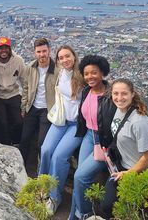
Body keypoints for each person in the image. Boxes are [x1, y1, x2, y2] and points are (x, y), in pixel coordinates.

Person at [99, 78, 148, 219]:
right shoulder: (119, 109)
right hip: (125, 166)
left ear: (132, 94)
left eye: (124, 94)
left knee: (141, 211)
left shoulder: (139, 120)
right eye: (116, 93)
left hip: (145, 172)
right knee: (107, 206)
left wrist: (128, 173)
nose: (119, 98)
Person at [38, 45, 85, 214]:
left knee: (59, 157)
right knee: (45, 150)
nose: (65, 60)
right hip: (61, 120)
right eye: (61, 58)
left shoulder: (82, 75)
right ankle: (41, 186)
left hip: (76, 124)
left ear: (74, 56)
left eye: (67, 56)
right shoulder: (60, 73)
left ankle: (54, 197)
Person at [69, 55, 111, 220]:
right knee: (79, 179)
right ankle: (73, 216)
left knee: (80, 177)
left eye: (94, 73)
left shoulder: (110, 95)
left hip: (103, 142)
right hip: (88, 136)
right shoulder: (86, 91)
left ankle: (86, 214)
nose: (90, 77)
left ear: (102, 73)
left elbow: (126, 112)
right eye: (86, 74)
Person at [19, 38, 59, 165]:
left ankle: (41, 170)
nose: (42, 54)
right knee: (24, 138)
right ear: (34, 53)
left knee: (42, 142)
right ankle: (20, 165)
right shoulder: (30, 67)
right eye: (39, 52)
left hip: (48, 109)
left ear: (49, 51)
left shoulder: (57, 70)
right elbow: (26, 88)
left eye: (44, 51)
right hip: (32, 107)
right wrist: (24, 107)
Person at [0, 36, 25, 145]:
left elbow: (24, 80)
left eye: (6, 48)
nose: (3, 50)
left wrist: (25, 100)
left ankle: (17, 142)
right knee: (2, 123)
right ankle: (6, 145)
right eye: (0, 48)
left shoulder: (18, 61)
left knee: (19, 121)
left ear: (10, 49)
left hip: (14, 93)